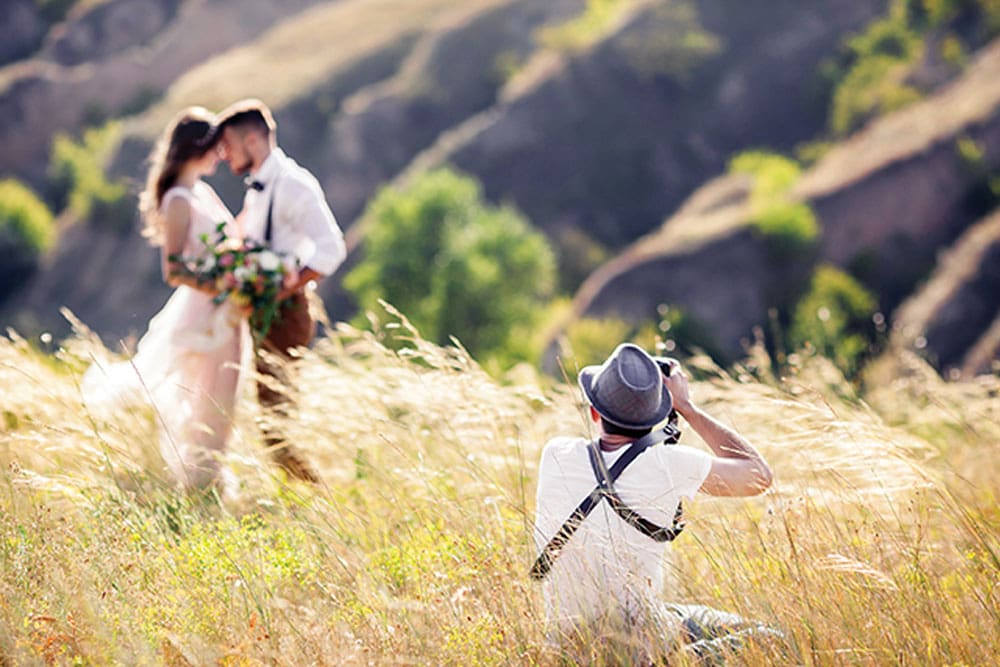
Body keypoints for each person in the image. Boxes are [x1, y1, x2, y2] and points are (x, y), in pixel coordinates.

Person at [532, 343, 781, 663]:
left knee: (678, 615)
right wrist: (687, 408)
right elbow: (759, 475)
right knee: (772, 640)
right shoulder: (668, 464)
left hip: (568, 648)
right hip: (642, 651)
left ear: (595, 412)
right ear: (658, 415)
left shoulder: (555, 453)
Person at [82, 106, 251, 494]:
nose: (222, 156)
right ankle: (198, 483)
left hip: (228, 308)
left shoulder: (202, 191)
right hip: (203, 310)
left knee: (226, 394)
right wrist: (220, 286)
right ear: (197, 149)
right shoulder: (178, 200)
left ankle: (206, 482)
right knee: (205, 395)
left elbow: (231, 242)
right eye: (215, 148)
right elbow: (173, 270)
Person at [214, 99, 347, 482]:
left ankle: (319, 500)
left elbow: (331, 247)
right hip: (260, 314)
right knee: (271, 419)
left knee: (276, 424)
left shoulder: (294, 184)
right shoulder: (258, 188)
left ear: (253, 139)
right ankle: (303, 497)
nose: (224, 156)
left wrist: (291, 283)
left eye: (229, 145)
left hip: (286, 315)